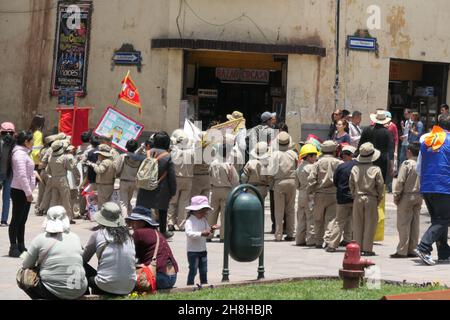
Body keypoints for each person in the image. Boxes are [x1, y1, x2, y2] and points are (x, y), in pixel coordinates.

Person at [20, 206, 88, 300]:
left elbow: (26, 265)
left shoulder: (40, 239)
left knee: (22, 275)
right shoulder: (75, 237)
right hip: (79, 290)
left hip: (51, 291)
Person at [415, 114, 450, 265]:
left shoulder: (426, 140)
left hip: (427, 185)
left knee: (438, 219)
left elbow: (418, 166)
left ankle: (443, 252)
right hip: (443, 185)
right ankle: (424, 247)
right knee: (444, 219)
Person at [83, 202, 136, 296]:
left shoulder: (98, 234)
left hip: (105, 287)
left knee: (80, 265)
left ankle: (85, 295)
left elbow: (84, 259)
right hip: (129, 286)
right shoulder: (129, 236)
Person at [126, 206, 179, 290]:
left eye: (133, 222)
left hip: (159, 277)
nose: (131, 225)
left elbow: (127, 253)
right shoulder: (156, 232)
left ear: (142, 223)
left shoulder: (139, 233)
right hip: (172, 278)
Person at [136, 132, 177, 239]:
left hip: (145, 185)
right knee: (162, 210)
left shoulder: (148, 153)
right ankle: (163, 231)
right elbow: (171, 176)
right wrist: (173, 191)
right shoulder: (167, 156)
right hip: (161, 187)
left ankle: (144, 229)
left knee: (145, 208)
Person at [349, 142, 384, 256]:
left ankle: (357, 248)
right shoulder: (376, 169)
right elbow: (380, 186)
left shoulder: (355, 168)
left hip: (358, 197)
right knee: (370, 224)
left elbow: (351, 185)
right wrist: (378, 198)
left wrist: (355, 195)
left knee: (357, 224)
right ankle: (368, 249)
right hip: (371, 198)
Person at [307, 141, 343, 248]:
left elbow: (311, 179)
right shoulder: (339, 163)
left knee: (318, 218)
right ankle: (327, 239)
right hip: (333, 193)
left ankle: (318, 241)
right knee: (331, 219)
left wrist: (310, 191)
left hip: (319, 193)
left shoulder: (317, 163)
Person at [391, 142, 422, 259]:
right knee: (415, 223)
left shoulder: (407, 164)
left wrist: (396, 195)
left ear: (409, 151)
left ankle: (402, 250)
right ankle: (413, 249)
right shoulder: (422, 163)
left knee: (403, 223)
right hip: (419, 195)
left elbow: (400, 181)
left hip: (407, 196)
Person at [8, 131, 37, 257]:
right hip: (20, 191)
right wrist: (28, 192)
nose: (34, 143)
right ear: (26, 142)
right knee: (16, 219)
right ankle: (13, 247)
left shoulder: (24, 153)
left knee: (22, 220)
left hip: (24, 191)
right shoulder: (19, 154)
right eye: (32, 140)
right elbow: (21, 175)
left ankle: (21, 245)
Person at [208, 135, 239, 241]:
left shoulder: (213, 164)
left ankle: (209, 234)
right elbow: (235, 180)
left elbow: (210, 176)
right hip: (226, 190)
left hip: (215, 189)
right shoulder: (229, 165)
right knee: (225, 215)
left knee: (212, 213)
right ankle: (223, 236)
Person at [326, 145, 357, 252]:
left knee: (339, 222)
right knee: (354, 221)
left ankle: (332, 245)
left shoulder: (340, 167)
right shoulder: (357, 166)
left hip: (342, 197)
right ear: (352, 155)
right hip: (354, 198)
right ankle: (352, 241)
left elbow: (335, 181)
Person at [268, 132, 298, 242]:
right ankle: (291, 233)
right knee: (290, 209)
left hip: (279, 182)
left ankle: (278, 234)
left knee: (279, 210)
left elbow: (270, 172)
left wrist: (271, 185)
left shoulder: (275, 155)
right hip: (292, 181)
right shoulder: (293, 154)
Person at [185, 196, 215, 286]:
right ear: (194, 211)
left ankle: (204, 284)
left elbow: (208, 231)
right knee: (193, 270)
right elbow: (189, 233)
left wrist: (212, 229)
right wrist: (201, 233)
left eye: (205, 211)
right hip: (192, 251)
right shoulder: (189, 221)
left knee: (204, 270)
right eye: (202, 211)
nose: (204, 213)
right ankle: (189, 285)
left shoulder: (203, 220)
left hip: (203, 250)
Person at [167, 130, 194, 231]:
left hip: (175, 178)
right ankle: (182, 224)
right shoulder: (192, 152)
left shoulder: (174, 151)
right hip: (188, 178)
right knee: (184, 202)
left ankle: (170, 222)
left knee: (172, 201)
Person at [47, 140, 76, 224]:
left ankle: (51, 216)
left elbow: (48, 171)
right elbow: (70, 168)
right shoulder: (64, 157)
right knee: (66, 199)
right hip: (62, 179)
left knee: (54, 199)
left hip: (53, 178)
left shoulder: (50, 157)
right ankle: (69, 218)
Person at [295, 144, 319, 247]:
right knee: (310, 218)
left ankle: (299, 240)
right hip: (310, 195)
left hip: (301, 194)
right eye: (314, 156)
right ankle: (311, 240)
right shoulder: (312, 167)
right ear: (309, 156)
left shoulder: (299, 168)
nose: (316, 158)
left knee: (301, 218)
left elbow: (296, 184)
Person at [116, 139, 145, 216]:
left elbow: (117, 169)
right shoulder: (138, 158)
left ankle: (125, 219)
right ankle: (130, 217)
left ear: (126, 147)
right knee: (128, 201)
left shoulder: (122, 156)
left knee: (123, 202)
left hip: (124, 181)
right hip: (133, 182)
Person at [86, 144, 116, 208]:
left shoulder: (105, 162)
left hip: (103, 186)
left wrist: (94, 165)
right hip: (109, 185)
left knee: (102, 204)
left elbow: (99, 170)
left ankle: (102, 217)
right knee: (107, 203)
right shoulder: (111, 161)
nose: (98, 155)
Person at [0, 122, 15, 226]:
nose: (8, 135)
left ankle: (4, 220)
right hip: (6, 175)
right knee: (6, 199)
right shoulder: (14, 144)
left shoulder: (15, 145)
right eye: (5, 133)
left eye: (10, 133)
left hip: (8, 175)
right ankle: (4, 220)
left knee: (7, 198)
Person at [385, 111, 399, 193]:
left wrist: (396, 150)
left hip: (391, 148)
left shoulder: (393, 126)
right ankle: (384, 186)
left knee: (391, 167)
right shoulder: (383, 125)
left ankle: (389, 187)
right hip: (384, 148)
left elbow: (396, 138)